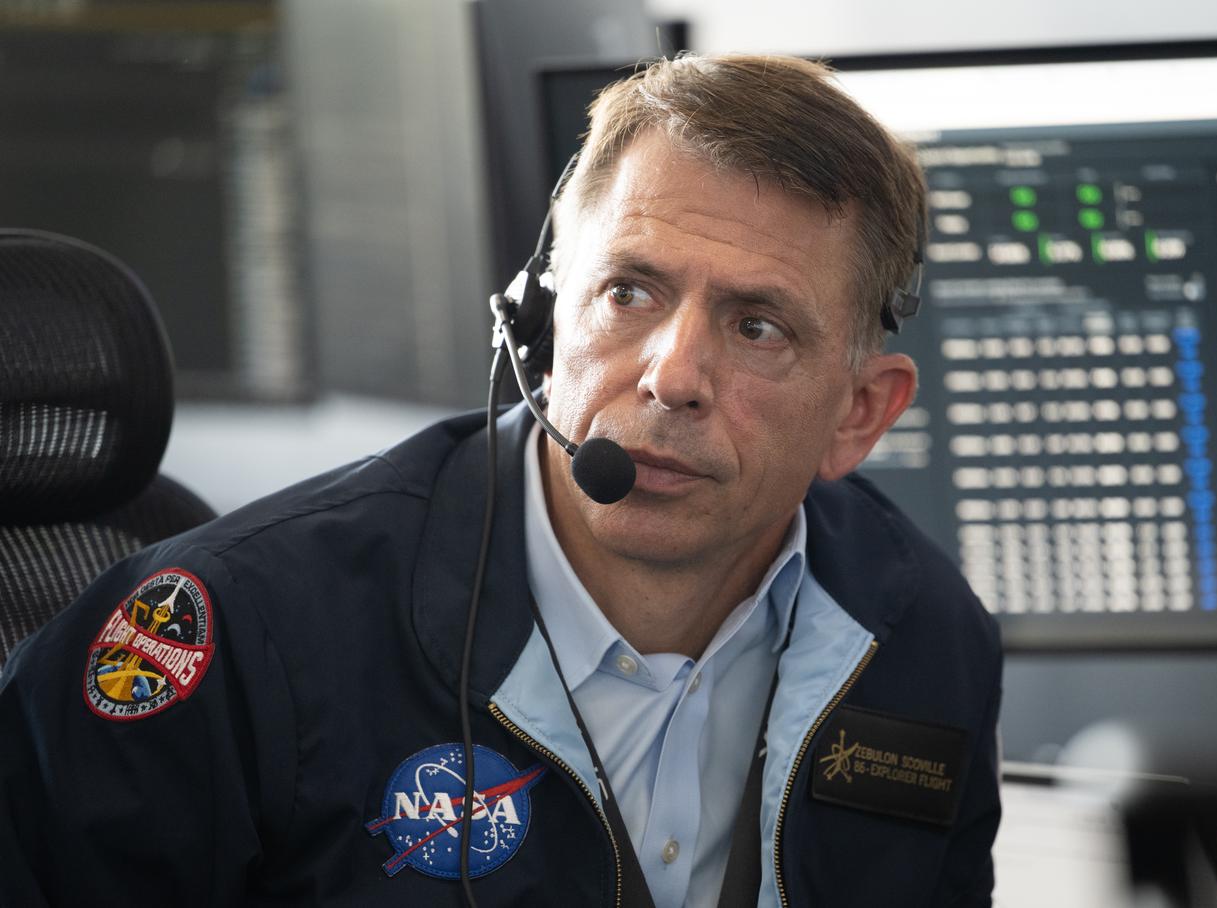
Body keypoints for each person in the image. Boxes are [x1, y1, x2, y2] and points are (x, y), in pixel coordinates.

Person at [0, 53, 1001, 907]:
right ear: (539, 323)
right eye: (628, 291)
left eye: (757, 326)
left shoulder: (919, 632)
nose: (673, 377)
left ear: (858, 413)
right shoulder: (237, 632)